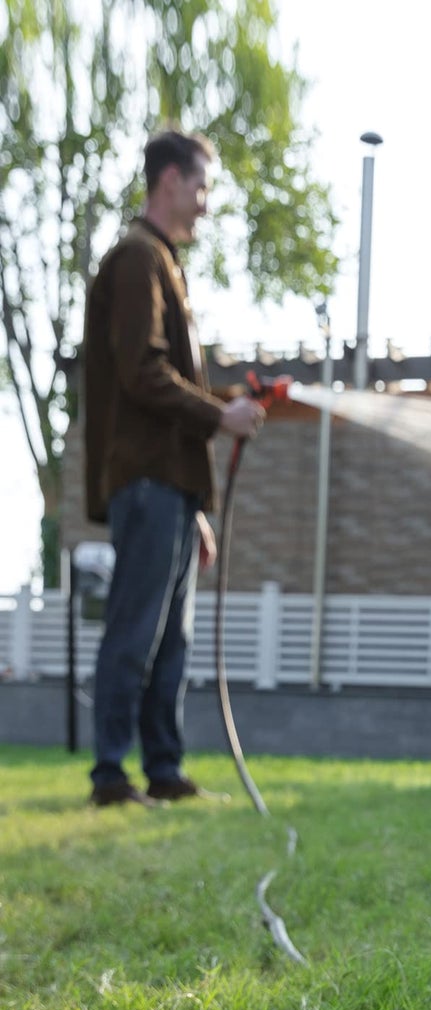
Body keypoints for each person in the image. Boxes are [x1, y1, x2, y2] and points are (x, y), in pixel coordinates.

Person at [82, 129, 265, 807]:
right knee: (135, 631)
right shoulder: (136, 259)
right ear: (169, 182)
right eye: (201, 186)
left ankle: (163, 767)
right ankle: (109, 774)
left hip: (172, 489)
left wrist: (195, 507)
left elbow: (160, 384)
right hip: (148, 481)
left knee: (170, 642)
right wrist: (222, 415)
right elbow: (143, 374)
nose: (205, 203)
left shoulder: (160, 262)